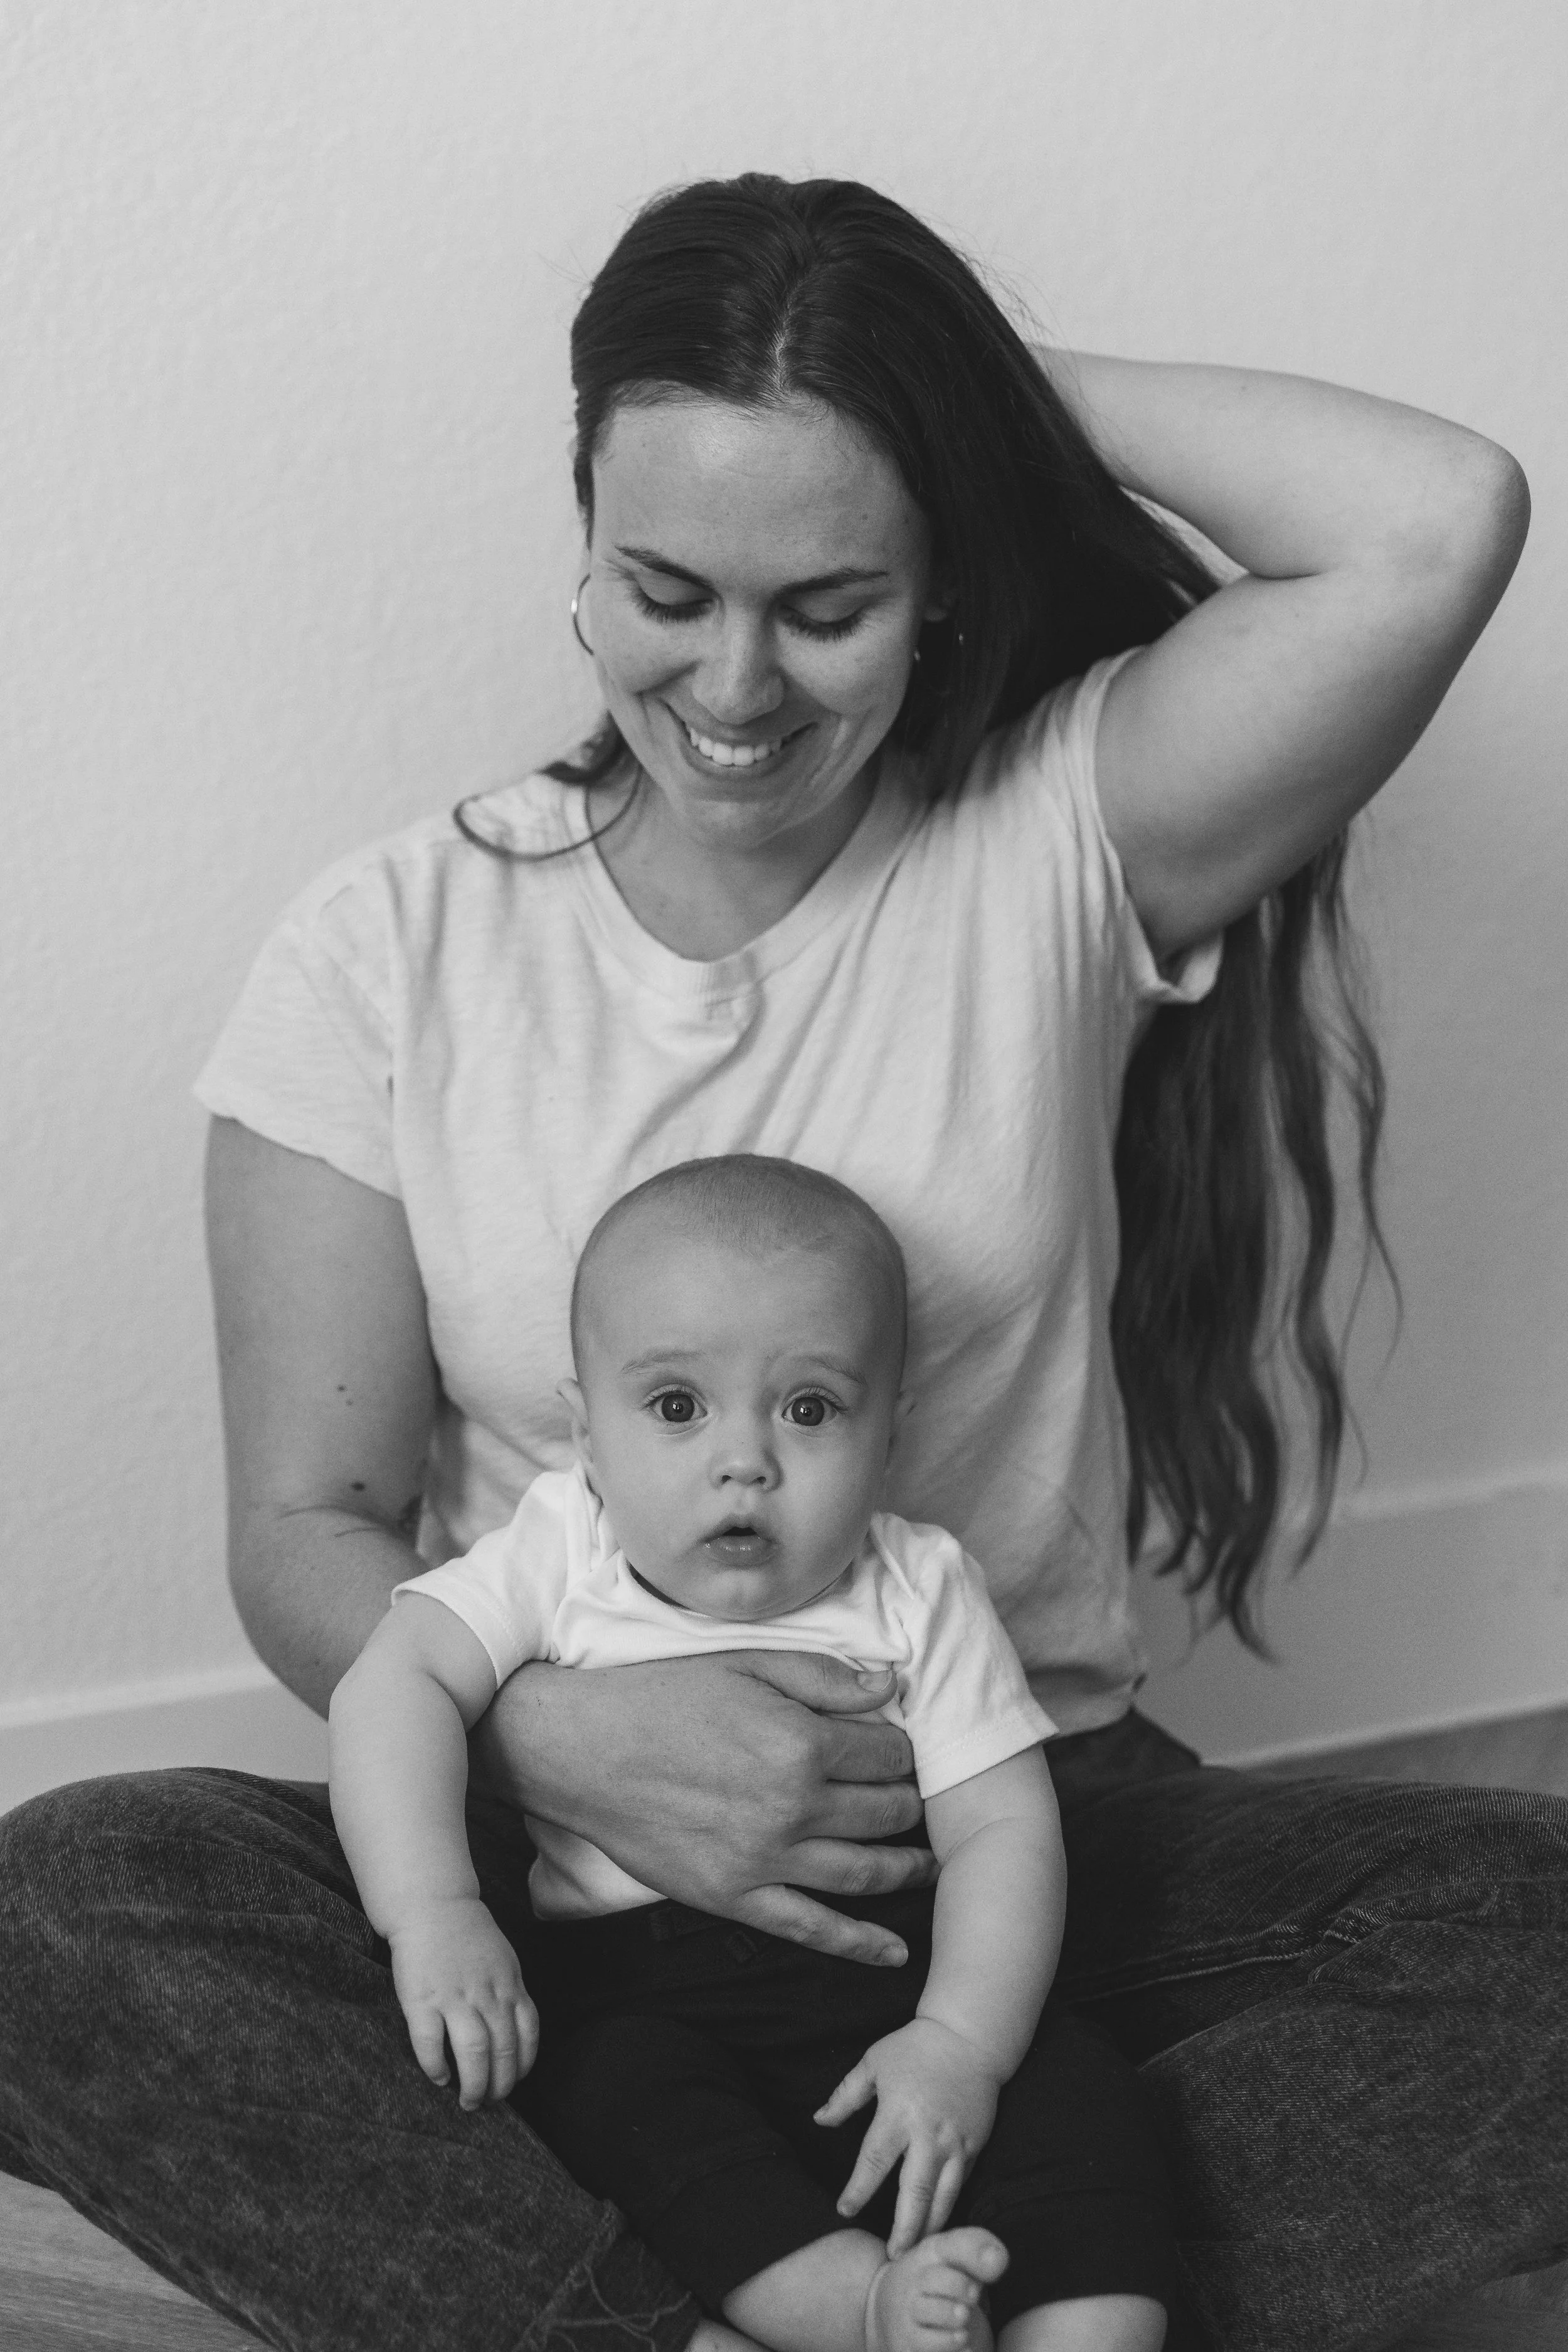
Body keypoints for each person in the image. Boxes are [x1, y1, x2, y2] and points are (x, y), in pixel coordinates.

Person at [0, 172, 1557, 2352]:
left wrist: (948, 388)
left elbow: (1443, 517)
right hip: (561, 1868)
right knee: (67, 1900)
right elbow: (308, 1531)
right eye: (663, 589)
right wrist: (561, 1742)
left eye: (826, 599)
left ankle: (874, 2263)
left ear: (937, 585)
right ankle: (762, 2311)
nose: (731, 683)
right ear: (584, 551)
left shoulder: (1057, 830)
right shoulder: (394, 946)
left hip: (1012, 1839)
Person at [329, 1152, 1179, 2352]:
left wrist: (957, 2043)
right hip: (640, 1992)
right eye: (677, 1407)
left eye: (812, 1407)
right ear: (586, 1431)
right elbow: (395, 1680)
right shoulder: (560, 1549)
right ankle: (854, 2311)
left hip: (896, 1979)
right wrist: (433, 1912)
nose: (747, 1459)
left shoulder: (919, 1587)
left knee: (1079, 2090)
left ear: (892, 1434)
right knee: (611, 2103)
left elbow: (1002, 1830)